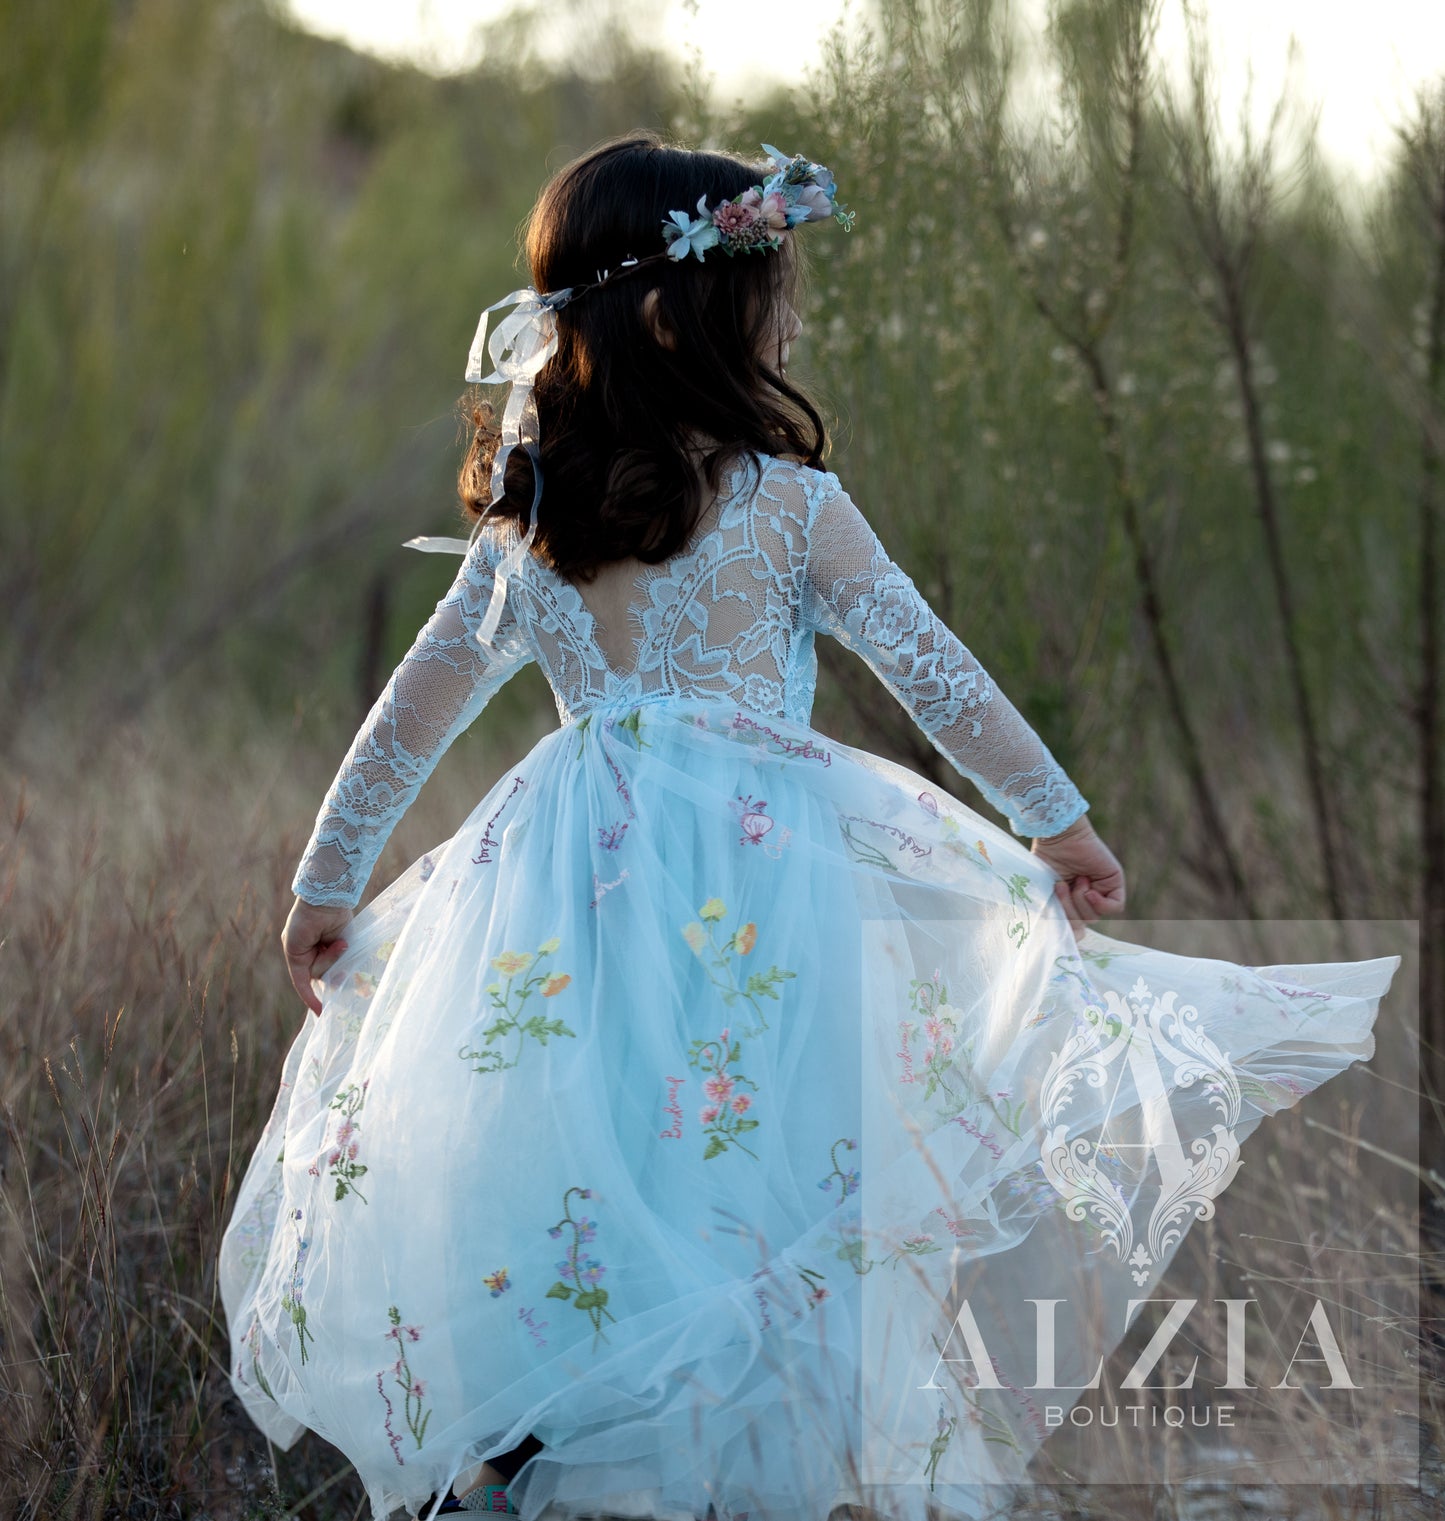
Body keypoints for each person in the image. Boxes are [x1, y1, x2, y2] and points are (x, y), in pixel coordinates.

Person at [218, 131, 1400, 1521]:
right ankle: (710, 1473)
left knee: (591, 1180)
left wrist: (326, 879)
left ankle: (568, 1462)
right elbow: (935, 671)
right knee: (756, 1187)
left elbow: (409, 717)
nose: (790, 316)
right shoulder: (783, 509)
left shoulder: (529, 521)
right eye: (769, 292)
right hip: (764, 900)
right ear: (686, 317)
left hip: (563, 904)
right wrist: (1056, 821)